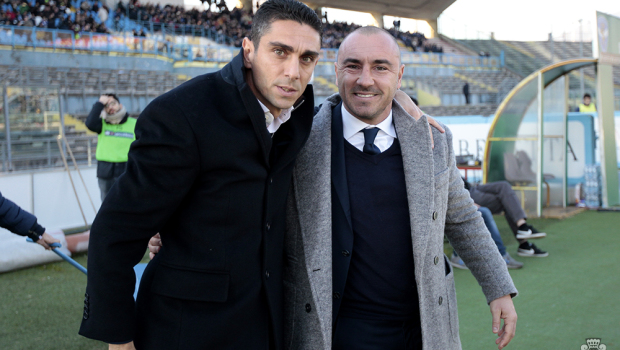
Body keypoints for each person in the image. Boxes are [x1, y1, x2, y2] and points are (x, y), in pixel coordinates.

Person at [78, 1, 323, 349]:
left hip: (265, 326)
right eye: (280, 52)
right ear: (249, 50)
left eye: (307, 58)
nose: (293, 71)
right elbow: (114, 233)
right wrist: (119, 341)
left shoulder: (297, 117)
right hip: (184, 329)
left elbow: (359, 103)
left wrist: (402, 107)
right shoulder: (183, 112)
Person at [282, 27, 517, 350]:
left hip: (423, 328)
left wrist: (498, 287)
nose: (366, 79)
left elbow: (462, 217)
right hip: (341, 331)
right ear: (336, 71)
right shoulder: (299, 139)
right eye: (353, 66)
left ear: (400, 74)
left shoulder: (433, 139)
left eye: (381, 67)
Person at [465, 180, 549, 257]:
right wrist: (466, 200)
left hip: (471, 187)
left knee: (504, 186)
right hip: (465, 195)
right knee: (507, 201)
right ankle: (524, 240)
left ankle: (522, 228)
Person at [85, 94, 136, 201]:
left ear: (120, 105)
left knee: (128, 202)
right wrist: (99, 103)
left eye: (113, 103)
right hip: (105, 170)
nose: (110, 107)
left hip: (126, 169)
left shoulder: (134, 123)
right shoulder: (102, 124)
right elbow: (90, 124)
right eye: (106, 105)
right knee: (107, 203)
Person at [450, 206, 524, 270]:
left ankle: (523, 243)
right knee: (484, 212)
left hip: (463, 199)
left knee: (504, 201)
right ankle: (457, 256)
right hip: (450, 205)